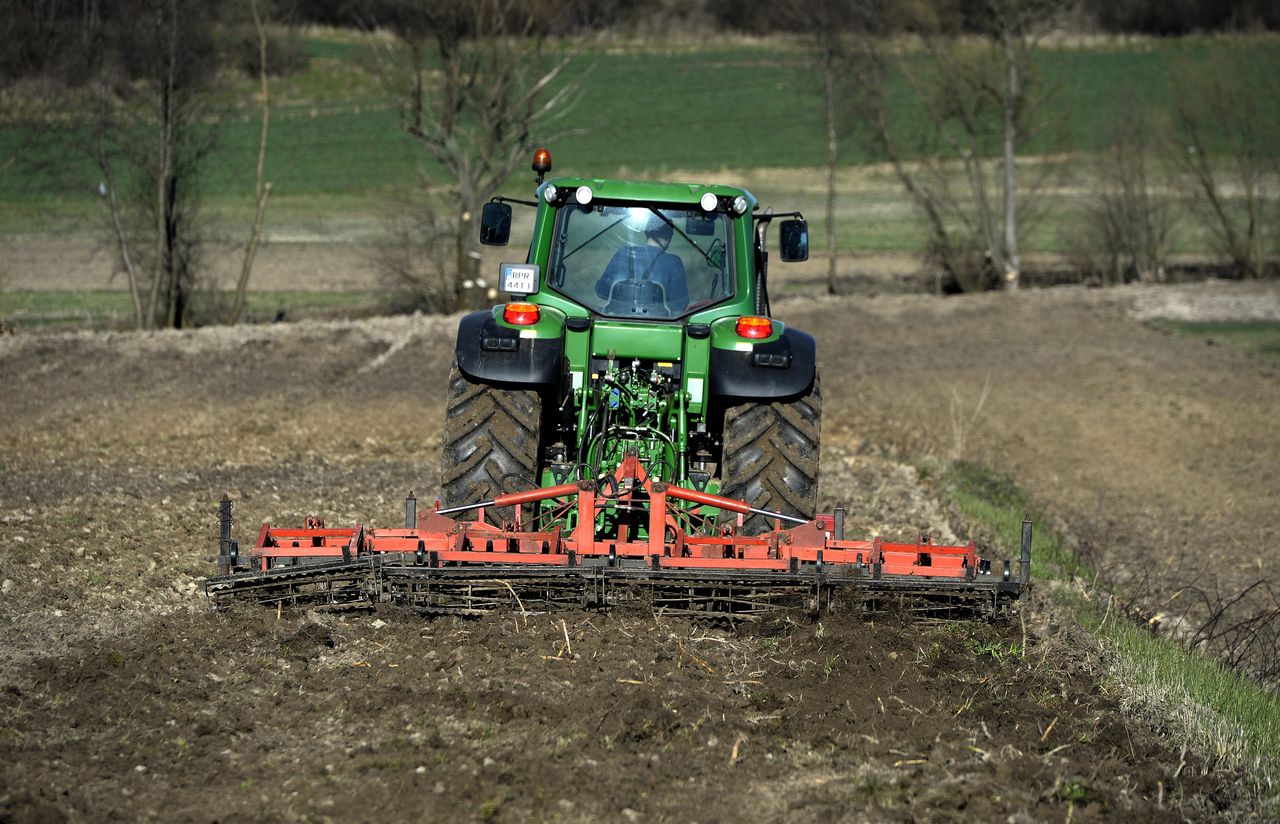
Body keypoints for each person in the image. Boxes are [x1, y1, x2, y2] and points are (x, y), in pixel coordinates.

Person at [595, 218, 688, 315]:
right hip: (657, 325)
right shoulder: (673, 261)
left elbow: (601, 290)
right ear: (668, 238)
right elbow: (680, 304)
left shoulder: (623, 253)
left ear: (647, 233)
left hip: (620, 321)